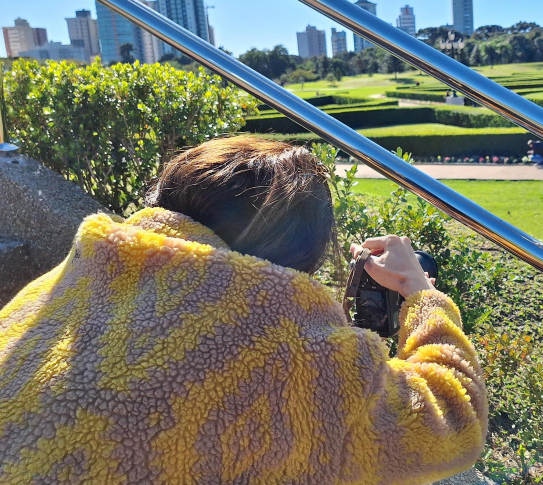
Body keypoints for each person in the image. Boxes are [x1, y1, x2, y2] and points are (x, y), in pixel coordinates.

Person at [0, 136, 487, 484]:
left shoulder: (49, 293)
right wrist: (422, 293)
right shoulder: (297, 355)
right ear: (300, 254)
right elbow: (453, 422)